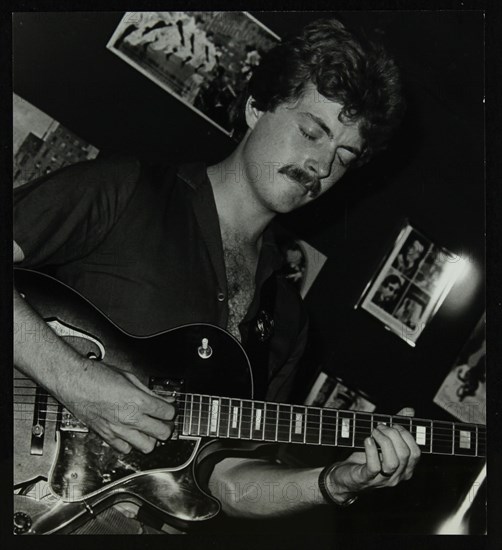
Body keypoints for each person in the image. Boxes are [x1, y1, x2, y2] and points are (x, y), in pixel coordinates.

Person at [13, 17, 421, 534]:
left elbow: (224, 480)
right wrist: (74, 380)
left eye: (343, 157)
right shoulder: (127, 190)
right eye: (312, 131)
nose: (320, 163)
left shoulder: (287, 318)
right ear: (256, 107)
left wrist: (335, 482)